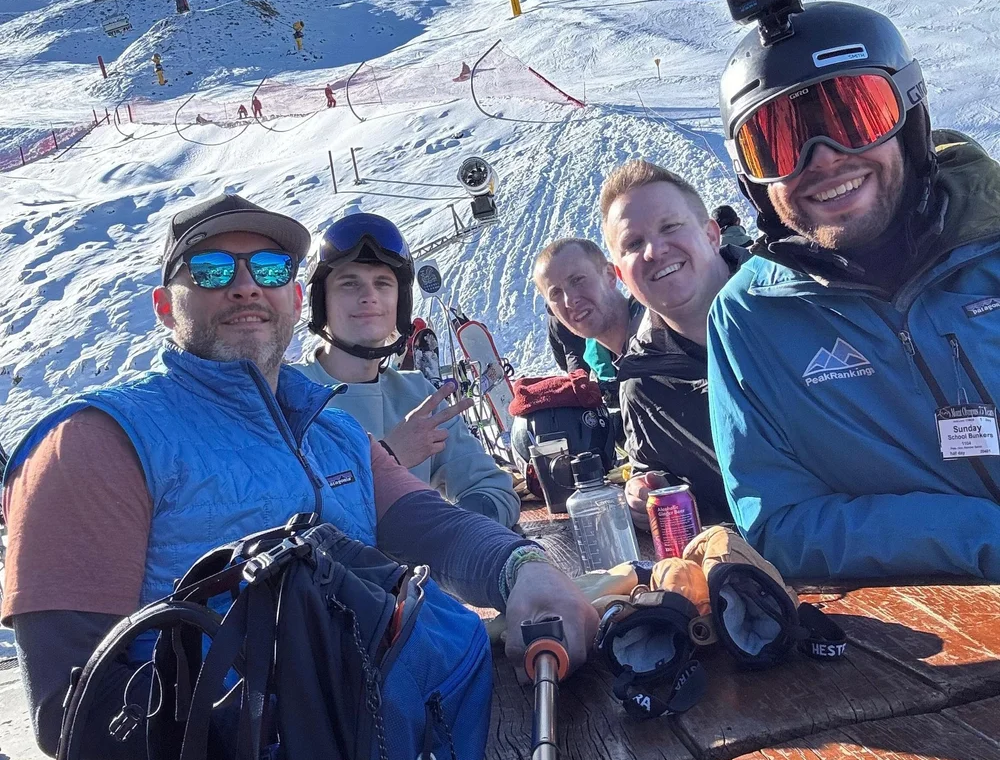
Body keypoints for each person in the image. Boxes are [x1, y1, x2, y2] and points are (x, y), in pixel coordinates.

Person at [1, 194, 594, 760]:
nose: (246, 286)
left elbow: (432, 524)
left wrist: (522, 568)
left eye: (270, 268)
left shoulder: (331, 430)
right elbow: (70, 707)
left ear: (293, 297)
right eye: (212, 269)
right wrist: (287, 733)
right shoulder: (96, 441)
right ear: (165, 306)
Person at [709, 0, 1000, 580]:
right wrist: (979, 536)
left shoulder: (992, 243)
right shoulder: (750, 320)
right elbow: (779, 522)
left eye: (851, 115)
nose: (823, 159)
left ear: (910, 122)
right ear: (754, 183)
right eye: (779, 141)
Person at [294, 212, 521, 528]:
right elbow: (287, 514)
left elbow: (493, 490)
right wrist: (390, 458)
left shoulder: (418, 395)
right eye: (349, 283)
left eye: (383, 283)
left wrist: (447, 536)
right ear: (322, 302)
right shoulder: (288, 397)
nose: (369, 297)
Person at [600, 161, 749, 529]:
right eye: (633, 244)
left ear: (711, 235)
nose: (654, 250)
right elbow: (652, 469)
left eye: (670, 227)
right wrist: (644, 489)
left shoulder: (800, 307)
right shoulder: (644, 385)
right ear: (621, 275)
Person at [533, 238, 642, 394]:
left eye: (577, 280)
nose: (569, 301)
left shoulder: (665, 335)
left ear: (610, 275)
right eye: (556, 293)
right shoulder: (615, 365)